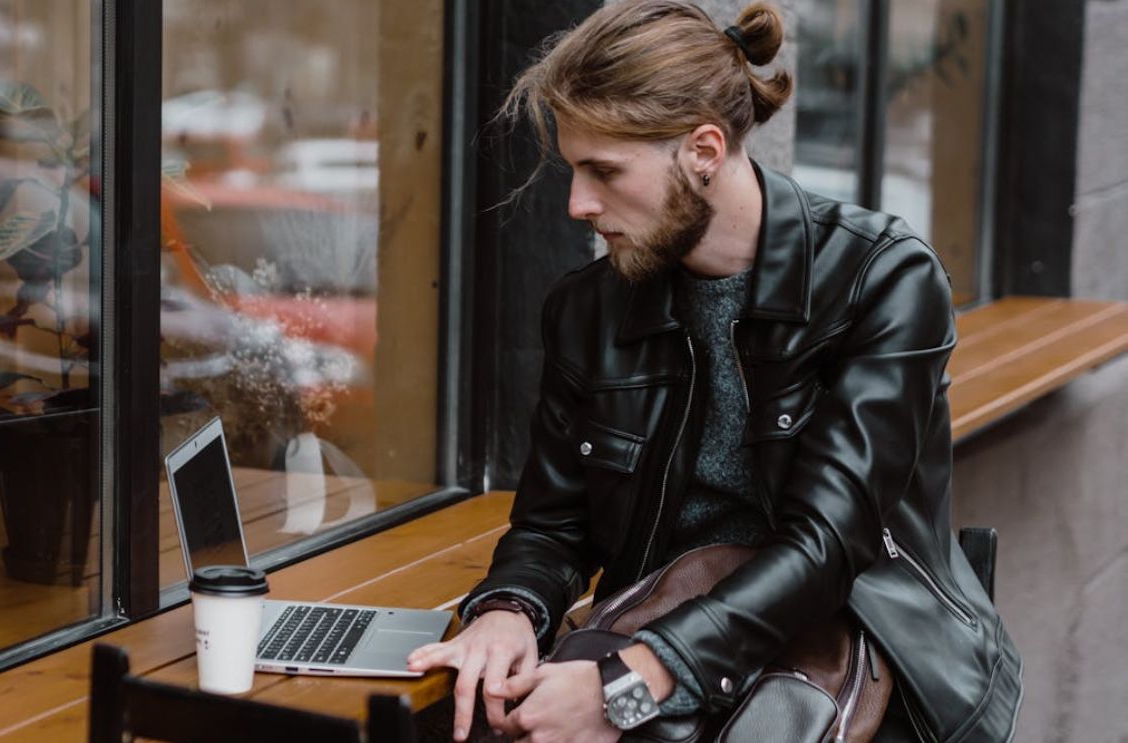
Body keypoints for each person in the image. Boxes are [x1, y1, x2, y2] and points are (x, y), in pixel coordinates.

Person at [407, 1, 1023, 741]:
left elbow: (826, 547)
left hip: (855, 650)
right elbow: (551, 523)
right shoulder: (588, 311)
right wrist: (508, 609)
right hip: (661, 638)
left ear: (702, 149)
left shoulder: (878, 280)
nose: (576, 203)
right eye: (574, 169)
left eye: (603, 170)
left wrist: (625, 688)